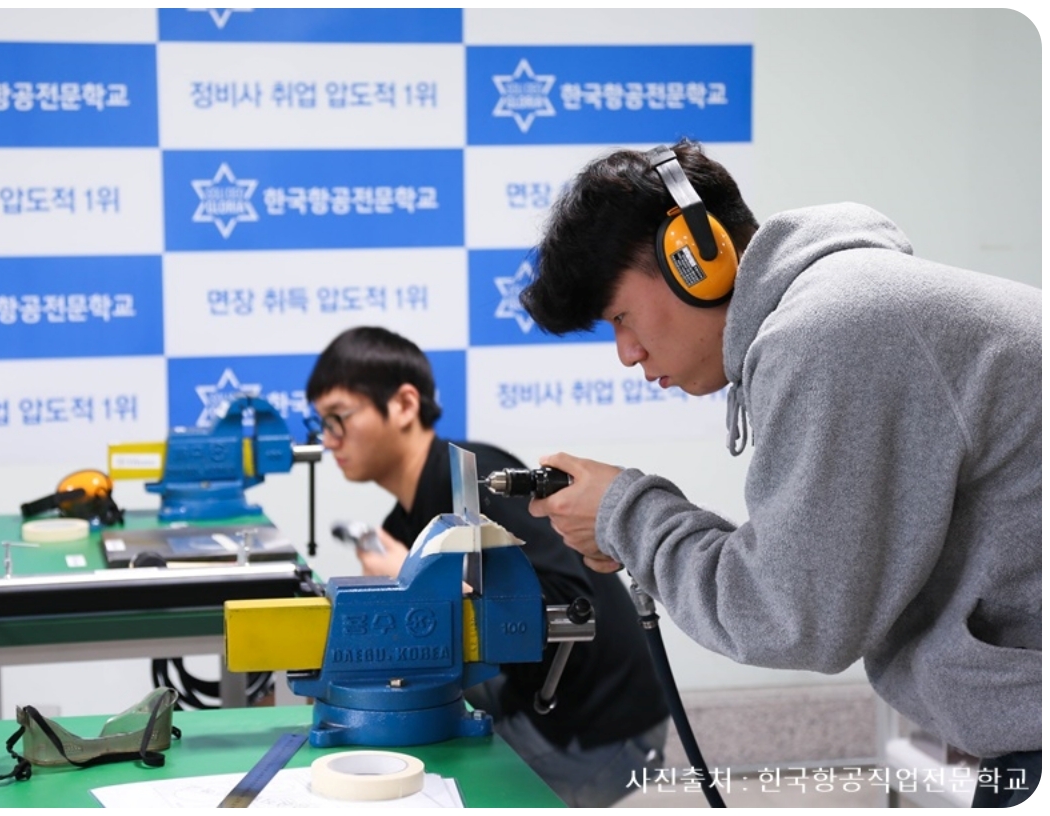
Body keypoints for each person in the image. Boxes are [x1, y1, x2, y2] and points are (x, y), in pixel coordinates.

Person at [519, 139, 1042, 807]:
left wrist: (625, 513)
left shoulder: (832, 330)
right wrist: (624, 522)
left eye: (621, 316)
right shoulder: (848, 306)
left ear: (694, 259)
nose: (627, 354)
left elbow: (791, 616)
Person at [305, 326, 671, 807]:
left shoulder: (478, 481)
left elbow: (569, 603)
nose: (329, 439)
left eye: (338, 418)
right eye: (322, 423)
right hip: (534, 706)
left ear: (405, 404)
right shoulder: (404, 520)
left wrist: (421, 586)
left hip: (595, 728)